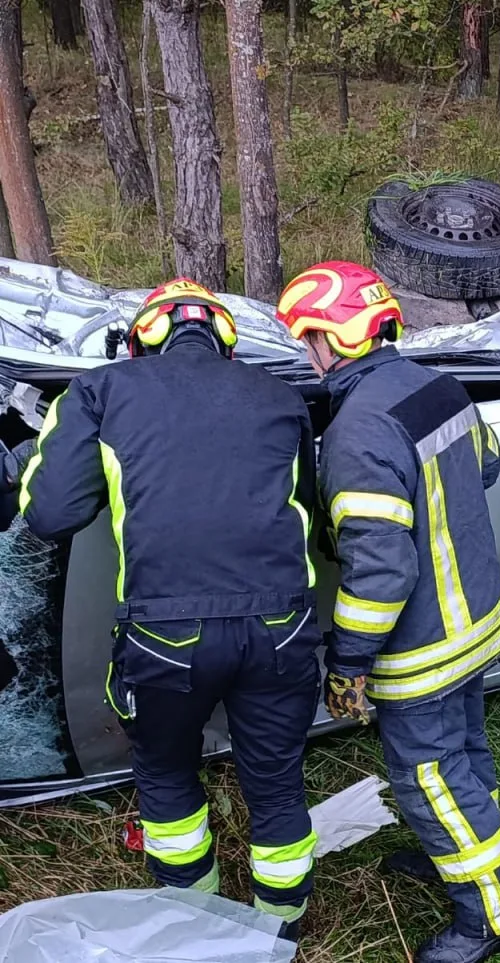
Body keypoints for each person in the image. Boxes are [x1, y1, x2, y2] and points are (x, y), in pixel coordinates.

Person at [15, 279, 321, 938]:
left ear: (140, 341)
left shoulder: (101, 390)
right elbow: (310, 509)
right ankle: (281, 930)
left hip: (167, 633)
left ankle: (195, 915)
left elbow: (51, 511)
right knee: (275, 777)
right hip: (280, 627)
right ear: (226, 341)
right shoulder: (281, 394)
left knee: (164, 769)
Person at [276, 261, 500, 963]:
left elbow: (383, 570)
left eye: (309, 339)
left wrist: (349, 660)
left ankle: (495, 908)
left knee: (427, 778)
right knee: (465, 752)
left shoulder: (357, 432)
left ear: (335, 337)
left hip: (424, 646)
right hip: (480, 617)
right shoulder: (439, 387)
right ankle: (461, 847)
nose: (308, 354)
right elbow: (487, 464)